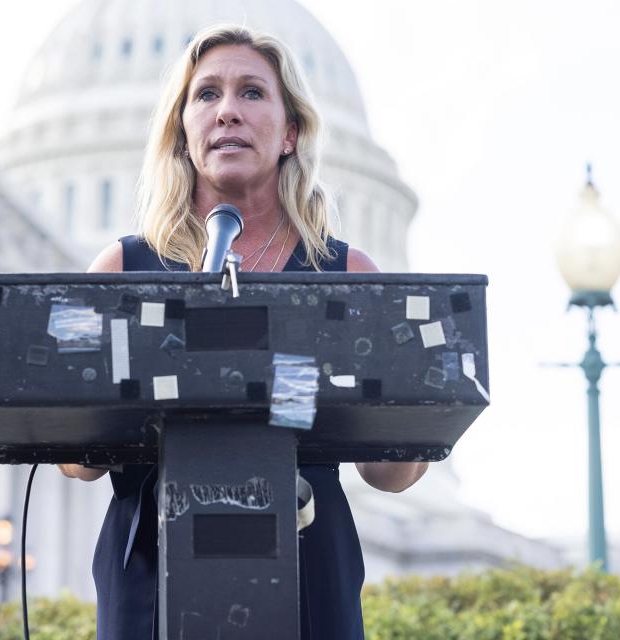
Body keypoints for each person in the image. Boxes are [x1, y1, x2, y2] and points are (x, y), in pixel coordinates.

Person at [58, 23, 429, 640]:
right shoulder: (120, 269)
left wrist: (412, 400)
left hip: (308, 558)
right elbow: (77, 462)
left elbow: (388, 474)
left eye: (252, 92)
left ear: (289, 132)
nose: (228, 110)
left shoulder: (347, 275)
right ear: (182, 132)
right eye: (206, 95)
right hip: (154, 565)